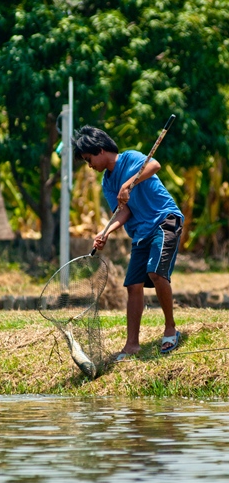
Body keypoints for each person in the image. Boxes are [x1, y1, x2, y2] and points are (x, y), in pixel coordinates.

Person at [72, 125, 184, 361]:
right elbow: (123, 213)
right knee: (133, 285)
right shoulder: (106, 182)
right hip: (141, 231)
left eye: (88, 159)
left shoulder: (131, 157)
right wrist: (106, 231)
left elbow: (154, 166)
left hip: (165, 220)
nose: (89, 165)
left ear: (100, 150)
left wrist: (128, 184)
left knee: (155, 273)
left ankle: (171, 330)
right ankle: (131, 345)